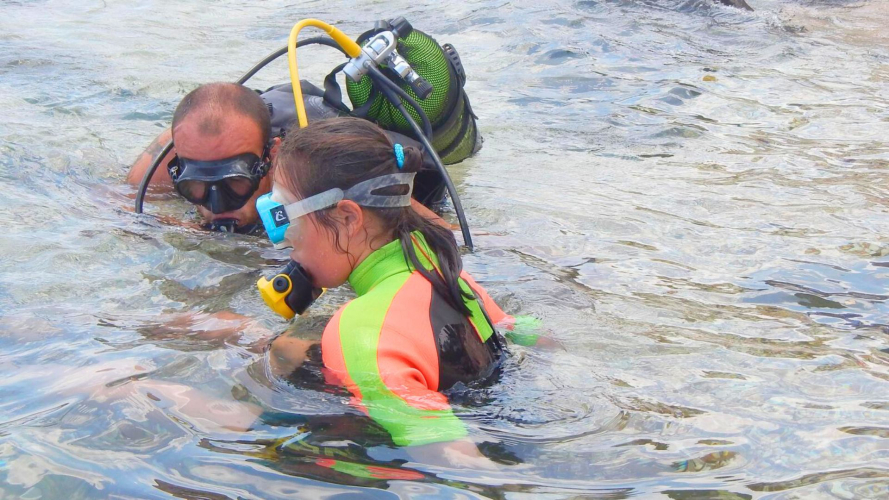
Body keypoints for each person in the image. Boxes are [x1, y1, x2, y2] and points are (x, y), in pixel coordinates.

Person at [264, 117, 513, 464]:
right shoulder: (445, 272)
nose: (282, 239)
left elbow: (453, 455)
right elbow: (519, 333)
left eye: (285, 216)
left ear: (348, 218)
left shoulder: (361, 329)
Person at [127, 82, 453, 234]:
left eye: (236, 182)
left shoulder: (321, 164)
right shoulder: (173, 151)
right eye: (196, 186)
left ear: (272, 155)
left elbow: (446, 236)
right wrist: (177, 227)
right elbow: (119, 210)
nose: (216, 205)